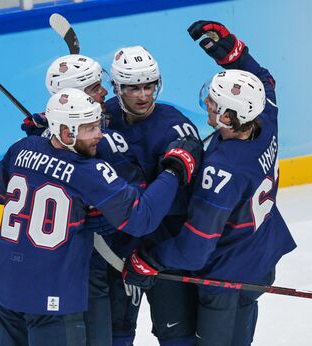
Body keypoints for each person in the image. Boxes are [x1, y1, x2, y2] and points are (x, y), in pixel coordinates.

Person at [123, 20, 297, 345]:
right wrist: (231, 51)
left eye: (215, 104)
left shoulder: (222, 171)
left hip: (226, 276)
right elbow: (263, 81)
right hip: (260, 257)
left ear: (230, 117)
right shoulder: (265, 119)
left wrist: (148, 259)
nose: (208, 105)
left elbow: (195, 248)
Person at [0, 87, 202, 346]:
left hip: (3, 286)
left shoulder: (22, 148)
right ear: (67, 133)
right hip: (52, 297)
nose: (100, 134)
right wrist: (174, 169)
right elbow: (142, 218)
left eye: (98, 124)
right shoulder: (90, 173)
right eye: (90, 129)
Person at [23, 53, 148, 345]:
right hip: (85, 261)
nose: (104, 92)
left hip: (117, 252)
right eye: (94, 88)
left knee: (116, 329)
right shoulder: (59, 145)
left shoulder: (71, 139)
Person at [105, 45, 201, 346]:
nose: (144, 96)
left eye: (149, 86)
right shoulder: (104, 116)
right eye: (134, 88)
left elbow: (190, 200)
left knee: (176, 334)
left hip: (162, 249)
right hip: (115, 247)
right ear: (117, 88)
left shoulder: (175, 126)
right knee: (116, 331)